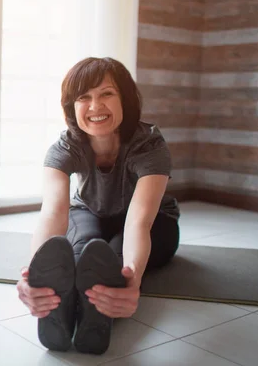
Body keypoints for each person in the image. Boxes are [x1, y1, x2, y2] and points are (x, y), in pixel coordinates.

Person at [16, 57, 180, 354]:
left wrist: (133, 280)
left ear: (125, 100)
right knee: (78, 253)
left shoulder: (149, 144)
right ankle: (60, 308)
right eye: (84, 98)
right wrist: (33, 275)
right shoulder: (64, 148)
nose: (95, 106)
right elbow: (53, 212)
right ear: (72, 107)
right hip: (91, 211)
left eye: (106, 94)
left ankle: (99, 316)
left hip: (155, 222)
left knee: (113, 262)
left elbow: (138, 220)